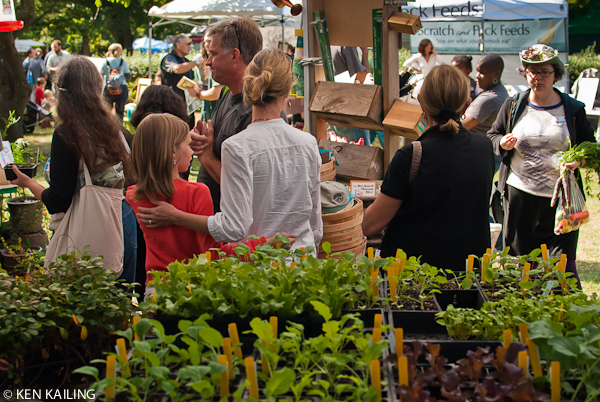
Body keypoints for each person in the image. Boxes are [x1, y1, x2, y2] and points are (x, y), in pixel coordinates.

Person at [135, 49, 322, 254]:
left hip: (259, 267)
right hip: (303, 261)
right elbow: (315, 223)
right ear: (287, 92)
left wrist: (176, 216)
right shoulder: (308, 142)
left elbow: (233, 228)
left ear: (249, 88)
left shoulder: (237, 146)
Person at [10, 56, 137, 285]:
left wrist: (28, 183)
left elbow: (58, 200)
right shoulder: (116, 128)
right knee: (119, 309)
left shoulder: (67, 134)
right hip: (124, 223)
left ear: (61, 92)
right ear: (97, 88)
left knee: (84, 311)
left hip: (90, 229)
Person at [362, 65, 494, 269]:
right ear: (466, 105)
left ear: (421, 102)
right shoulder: (485, 148)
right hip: (467, 277)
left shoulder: (411, 155)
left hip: (416, 281)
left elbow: (370, 225)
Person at [487, 44, 596, 288]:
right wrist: (502, 143)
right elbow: (493, 136)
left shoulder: (573, 110)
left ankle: (561, 317)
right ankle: (520, 316)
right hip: (519, 198)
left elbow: (592, 148)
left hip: (560, 203)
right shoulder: (514, 106)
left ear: (555, 74)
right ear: (524, 73)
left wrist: (579, 160)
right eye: (531, 71)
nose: (537, 77)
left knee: (560, 267)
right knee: (520, 264)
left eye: (544, 72)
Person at [126, 113, 268, 298]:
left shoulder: (132, 195)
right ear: (173, 153)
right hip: (193, 291)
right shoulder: (197, 193)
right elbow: (215, 255)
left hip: (155, 292)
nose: (192, 150)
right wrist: (265, 245)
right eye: (187, 143)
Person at [192, 17, 263, 213]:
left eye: (212, 54)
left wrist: (206, 157)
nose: (207, 62)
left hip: (233, 229)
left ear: (234, 55)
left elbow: (247, 185)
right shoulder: (226, 91)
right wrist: (203, 140)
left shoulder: (257, 110)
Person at [128, 84, 189, 296]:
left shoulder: (132, 194)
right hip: (188, 282)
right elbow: (212, 249)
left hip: (152, 284)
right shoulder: (196, 193)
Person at [462, 54, 509, 173]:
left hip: (476, 158)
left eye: (482, 72)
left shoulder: (489, 99)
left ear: (496, 74)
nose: (477, 76)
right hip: (486, 157)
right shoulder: (501, 92)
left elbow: (461, 126)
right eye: (477, 71)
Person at [160, 33, 200, 129]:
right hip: (172, 106)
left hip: (187, 107)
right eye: (188, 44)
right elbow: (177, 69)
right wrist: (197, 62)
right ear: (178, 45)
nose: (190, 46)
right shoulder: (169, 59)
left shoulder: (186, 61)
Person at [100, 43, 131, 120]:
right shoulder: (123, 62)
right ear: (119, 51)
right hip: (121, 88)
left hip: (108, 89)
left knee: (106, 112)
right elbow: (128, 76)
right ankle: (120, 130)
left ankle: (107, 129)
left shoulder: (105, 62)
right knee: (120, 113)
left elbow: (100, 75)